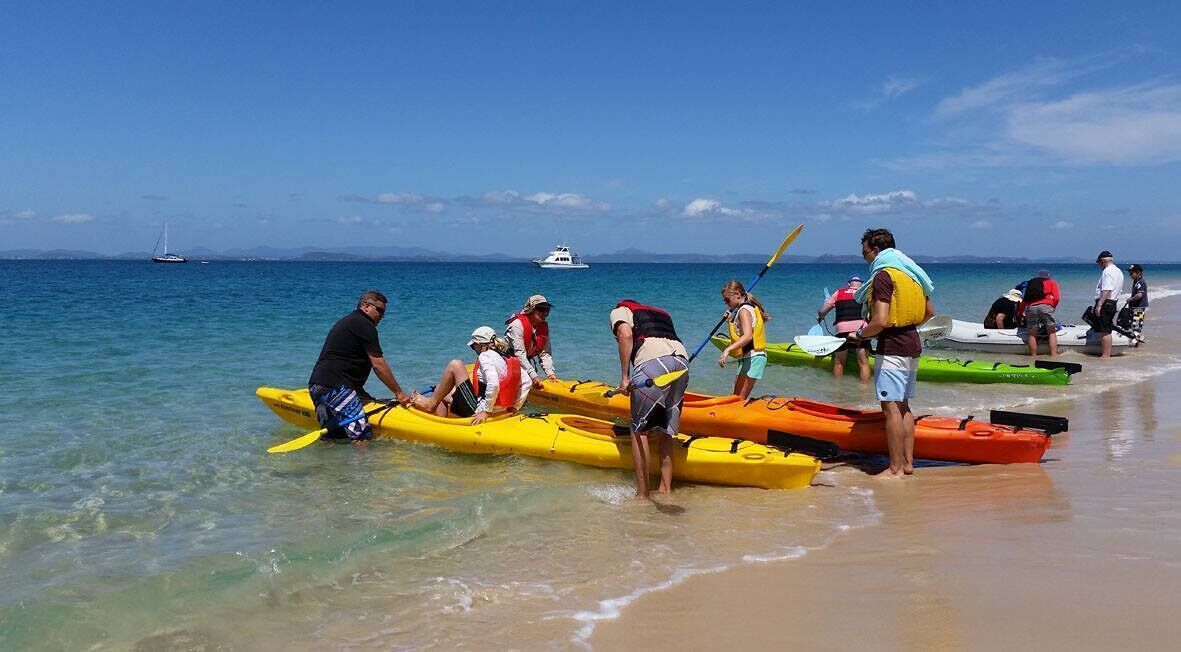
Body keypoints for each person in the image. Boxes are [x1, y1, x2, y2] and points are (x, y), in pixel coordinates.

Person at [846, 229, 935, 478]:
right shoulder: (913, 275)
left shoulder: (884, 275)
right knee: (904, 406)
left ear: (876, 251)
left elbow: (881, 320)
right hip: (912, 344)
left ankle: (894, 469)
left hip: (893, 347)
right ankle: (907, 464)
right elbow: (929, 312)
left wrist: (861, 335)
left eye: (865, 253)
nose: (865, 258)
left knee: (890, 408)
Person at [611, 300, 690, 499]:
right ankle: (665, 489)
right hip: (681, 360)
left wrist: (624, 378)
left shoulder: (619, 310)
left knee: (639, 430)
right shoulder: (662, 313)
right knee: (665, 431)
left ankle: (643, 495)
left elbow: (625, 335)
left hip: (652, 363)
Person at [307, 291, 411, 442]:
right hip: (336, 388)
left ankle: (325, 464)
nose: (382, 316)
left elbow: (344, 361)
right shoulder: (365, 325)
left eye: (384, 312)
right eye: (380, 310)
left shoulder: (349, 322)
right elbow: (378, 365)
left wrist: (359, 392)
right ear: (366, 306)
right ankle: (364, 465)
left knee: (333, 434)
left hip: (317, 385)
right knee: (362, 435)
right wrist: (399, 393)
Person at [412, 327, 532, 424]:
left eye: (473, 346)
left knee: (456, 364)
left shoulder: (485, 356)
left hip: (479, 409)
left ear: (479, 345)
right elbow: (527, 382)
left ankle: (430, 405)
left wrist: (486, 411)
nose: (474, 349)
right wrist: (515, 407)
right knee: (440, 389)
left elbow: (494, 384)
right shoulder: (505, 357)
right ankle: (442, 423)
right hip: (502, 410)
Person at [716, 280, 771, 398]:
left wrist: (727, 350)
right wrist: (730, 321)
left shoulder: (744, 310)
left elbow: (747, 336)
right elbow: (739, 335)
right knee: (735, 398)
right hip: (747, 357)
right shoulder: (741, 310)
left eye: (727, 300)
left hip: (755, 358)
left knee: (739, 399)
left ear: (737, 294)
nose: (726, 303)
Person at [817, 275, 871, 381]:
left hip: (842, 330)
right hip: (861, 330)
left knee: (839, 362)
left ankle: (838, 389)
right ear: (862, 284)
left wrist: (820, 317)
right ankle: (865, 391)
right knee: (864, 363)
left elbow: (823, 311)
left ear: (848, 284)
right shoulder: (866, 293)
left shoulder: (839, 293)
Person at [505, 294, 558, 390]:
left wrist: (550, 373)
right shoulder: (517, 325)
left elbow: (544, 353)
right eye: (541, 309)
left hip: (525, 362)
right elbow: (519, 354)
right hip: (509, 361)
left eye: (546, 310)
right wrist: (534, 376)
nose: (544, 313)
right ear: (531, 309)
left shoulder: (542, 327)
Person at [1018, 269, 1061, 356]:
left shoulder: (1031, 283)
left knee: (1032, 334)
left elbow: (1024, 300)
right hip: (1046, 306)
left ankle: (1033, 357)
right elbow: (1056, 298)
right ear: (1048, 276)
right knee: (1051, 332)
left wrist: (1021, 312)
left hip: (1031, 307)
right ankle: (1053, 356)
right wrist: (1052, 307)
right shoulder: (1052, 282)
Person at [1092, 250, 1125, 358]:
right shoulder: (1119, 271)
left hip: (1106, 303)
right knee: (1107, 329)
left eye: (1099, 263)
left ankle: (1105, 355)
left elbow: (1106, 290)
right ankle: (1106, 353)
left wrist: (1099, 305)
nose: (1099, 266)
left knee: (1105, 331)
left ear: (1103, 261)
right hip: (1113, 302)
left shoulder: (1107, 271)